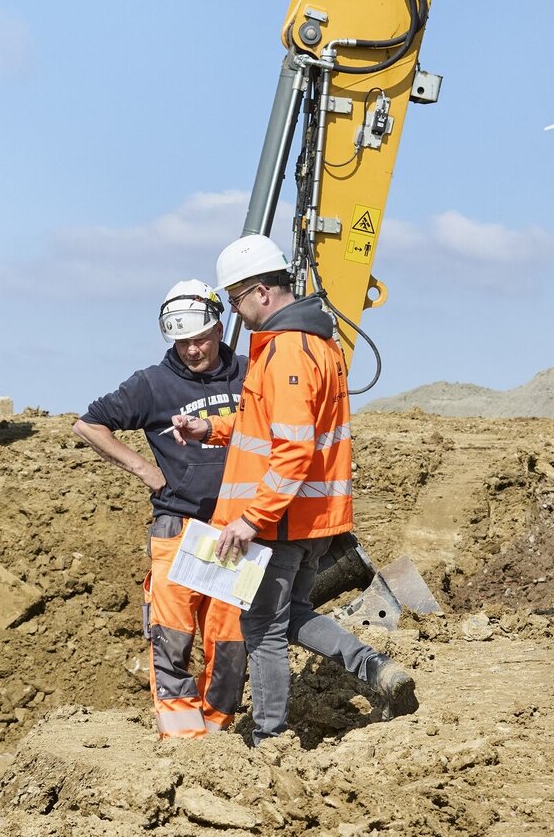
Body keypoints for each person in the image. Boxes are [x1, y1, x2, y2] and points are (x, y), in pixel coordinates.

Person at [171, 234, 418, 742]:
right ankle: (376, 669)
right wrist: (211, 428)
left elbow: (292, 449)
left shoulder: (286, 352)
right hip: (311, 521)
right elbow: (267, 425)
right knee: (292, 616)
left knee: (262, 628)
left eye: (236, 298)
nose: (235, 311)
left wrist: (252, 519)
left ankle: (269, 738)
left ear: (262, 292)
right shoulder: (318, 344)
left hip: (281, 522)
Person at [71, 280, 248, 739]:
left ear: (219, 328)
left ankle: (216, 736)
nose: (192, 350)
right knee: (173, 637)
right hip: (179, 525)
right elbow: (89, 425)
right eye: (182, 342)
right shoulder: (153, 383)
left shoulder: (251, 374)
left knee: (231, 643)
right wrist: (146, 471)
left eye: (200, 339)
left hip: (238, 529)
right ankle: (182, 739)